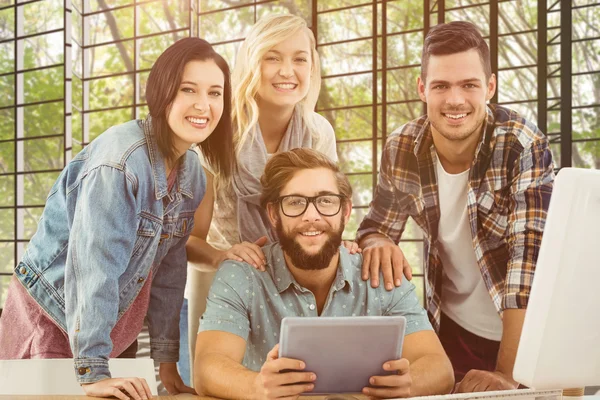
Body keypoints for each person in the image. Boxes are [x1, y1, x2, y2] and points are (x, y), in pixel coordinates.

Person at [0, 38, 234, 400]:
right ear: (163, 91)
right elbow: (96, 265)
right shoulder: (121, 163)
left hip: (112, 322)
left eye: (215, 93)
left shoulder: (193, 174)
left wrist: (166, 363)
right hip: (55, 313)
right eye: (189, 89)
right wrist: (93, 371)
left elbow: (170, 272)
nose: (203, 105)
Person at [356, 21, 555, 392]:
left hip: (524, 334)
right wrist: (378, 241)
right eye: (441, 86)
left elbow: (526, 269)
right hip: (452, 329)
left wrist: (508, 374)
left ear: (490, 87)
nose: (455, 100)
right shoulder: (402, 147)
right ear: (422, 89)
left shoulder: (520, 144)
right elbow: (375, 226)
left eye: (469, 85)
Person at [193, 148, 455, 400]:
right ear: (273, 214)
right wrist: (255, 387)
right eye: (295, 202)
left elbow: (440, 369)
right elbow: (206, 370)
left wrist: (410, 383)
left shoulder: (379, 272)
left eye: (326, 201)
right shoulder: (242, 274)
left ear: (346, 211)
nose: (311, 215)